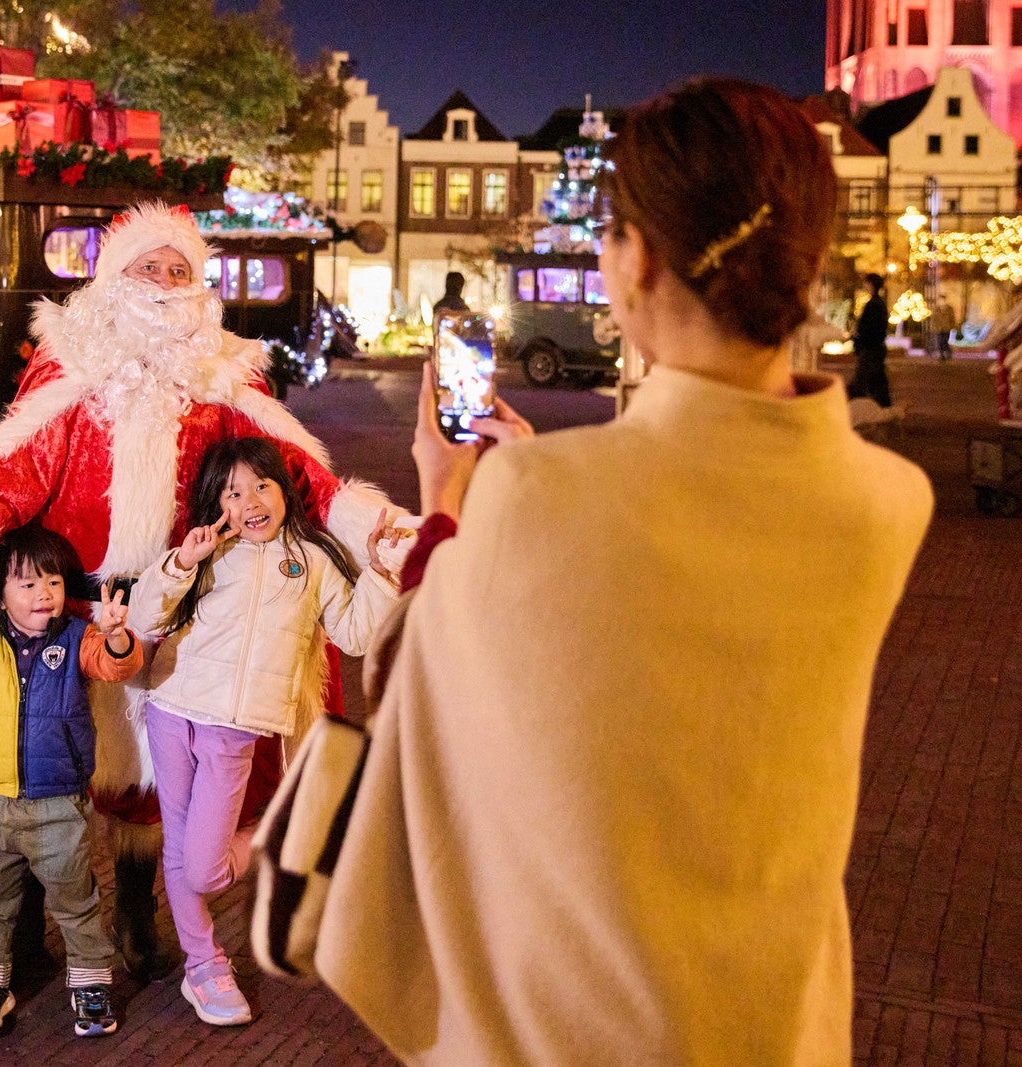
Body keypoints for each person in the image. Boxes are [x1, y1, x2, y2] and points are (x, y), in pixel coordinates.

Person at [313, 77, 933, 1064]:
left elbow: (406, 676)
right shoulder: (891, 501)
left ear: (635, 259)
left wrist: (448, 497)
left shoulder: (540, 496)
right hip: (776, 1021)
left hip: (582, 1022)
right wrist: (551, 473)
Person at [0, 202, 408, 980]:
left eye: (181, 270)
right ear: (115, 278)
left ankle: (138, 914)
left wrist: (366, 522)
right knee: (46, 764)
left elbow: (293, 472)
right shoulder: (69, 366)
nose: (167, 281)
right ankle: (28, 923)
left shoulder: (223, 378)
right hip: (69, 617)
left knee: (156, 778)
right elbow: (13, 470)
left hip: (178, 613)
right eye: (151, 266)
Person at [126, 437, 399, 1026]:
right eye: (232, 492)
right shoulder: (206, 552)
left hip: (236, 729)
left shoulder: (312, 561)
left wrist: (378, 573)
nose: (249, 502)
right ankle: (205, 967)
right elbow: (144, 618)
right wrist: (182, 563)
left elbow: (355, 636)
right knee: (179, 849)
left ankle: (283, 834)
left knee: (204, 866)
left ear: (283, 492)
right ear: (215, 501)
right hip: (171, 708)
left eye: (261, 486)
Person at [0, 524, 144, 1041]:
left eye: (53, 582)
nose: (44, 593)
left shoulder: (78, 638)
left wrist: (115, 635)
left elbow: (117, 666)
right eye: (27, 583)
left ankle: (91, 986)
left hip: (60, 806)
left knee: (76, 902)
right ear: (1, 594)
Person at [848, 271, 892, 406]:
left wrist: (857, 335)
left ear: (871, 285)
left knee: (864, 380)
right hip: (875, 347)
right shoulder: (878, 303)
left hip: (870, 348)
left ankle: (856, 407)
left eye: (866, 283)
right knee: (876, 380)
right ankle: (883, 406)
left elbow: (869, 328)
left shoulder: (873, 304)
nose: (864, 285)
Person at [930, 296, 956, 362]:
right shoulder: (936, 309)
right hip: (939, 328)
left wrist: (952, 327)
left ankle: (948, 352)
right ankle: (942, 355)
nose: (942, 302)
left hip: (947, 328)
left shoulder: (949, 309)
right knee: (939, 342)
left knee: (945, 341)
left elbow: (952, 318)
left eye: (943, 300)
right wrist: (933, 327)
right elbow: (933, 319)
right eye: (940, 300)